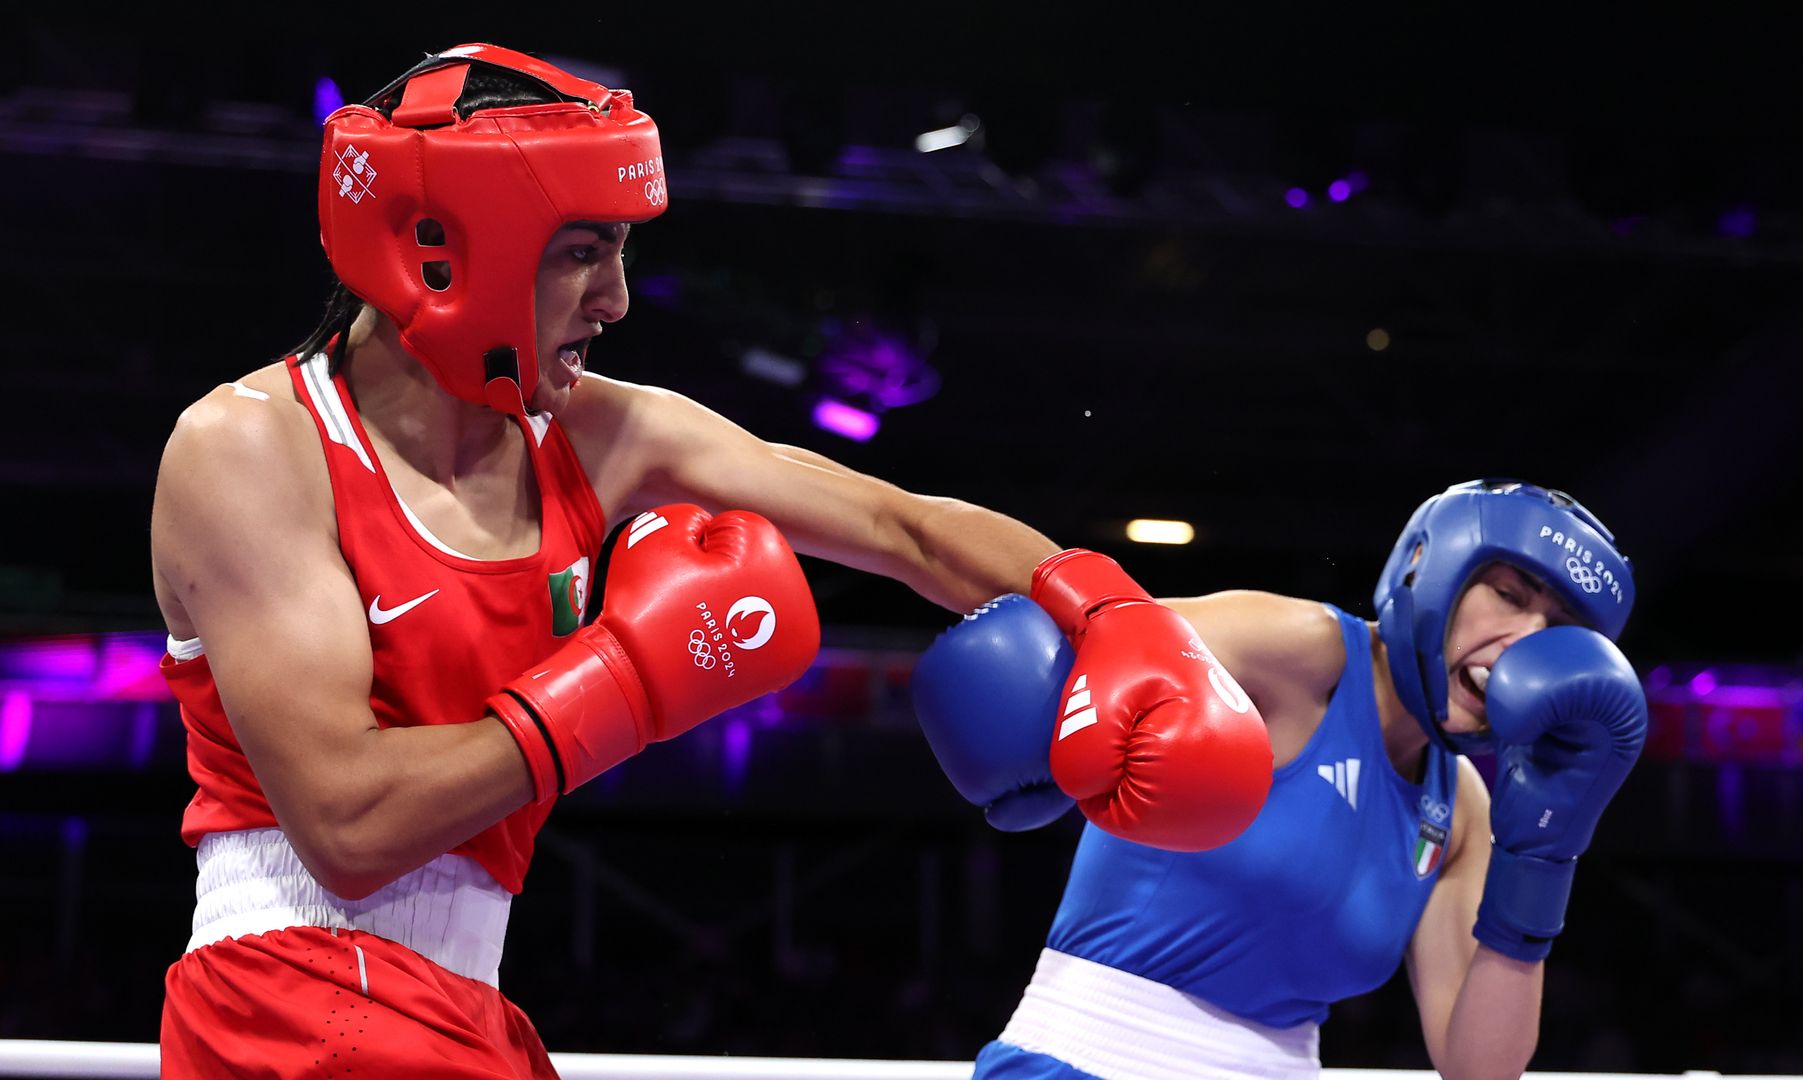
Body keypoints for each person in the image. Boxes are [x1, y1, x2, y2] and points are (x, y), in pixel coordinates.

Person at [148, 44, 1273, 1077]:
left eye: (620, 253)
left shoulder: (597, 436)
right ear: (451, 250)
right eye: (584, 254)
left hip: (465, 1001)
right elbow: (348, 829)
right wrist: (623, 683)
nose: (617, 301)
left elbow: (901, 526)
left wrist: (1107, 613)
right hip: (290, 1002)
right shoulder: (253, 449)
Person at [913, 479, 1650, 1079]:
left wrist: (1546, 857)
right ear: (1432, 570)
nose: (1526, 644)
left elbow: (1478, 1067)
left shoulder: (1460, 808)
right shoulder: (1301, 651)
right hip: (1090, 1060)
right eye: (1512, 596)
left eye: (1558, 632)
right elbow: (1091, 632)